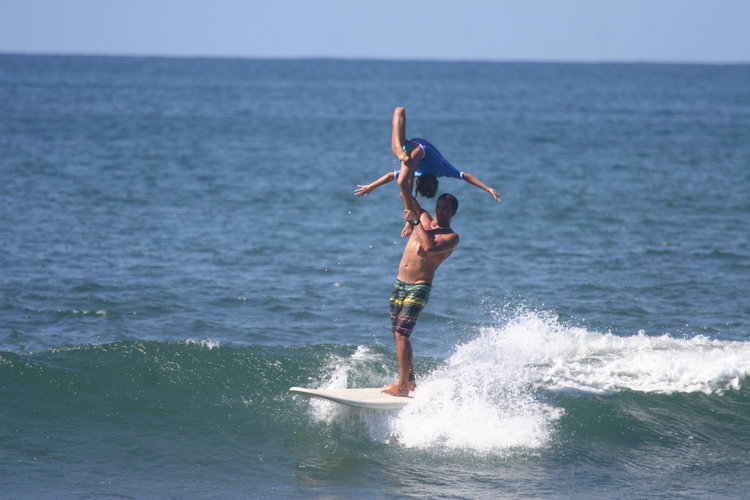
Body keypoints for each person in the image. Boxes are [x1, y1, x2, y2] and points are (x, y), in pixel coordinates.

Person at [355, 107, 501, 236]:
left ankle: (400, 139)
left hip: (415, 148)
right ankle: (399, 152)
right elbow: (391, 177)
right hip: (417, 151)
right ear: (420, 183)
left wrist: (488, 189)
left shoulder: (442, 170)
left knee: (399, 115)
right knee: (402, 182)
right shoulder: (429, 170)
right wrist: (371, 187)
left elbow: (466, 176)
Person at [382, 193, 460, 397]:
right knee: (396, 334)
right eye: (438, 207)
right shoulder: (425, 221)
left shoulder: (451, 237)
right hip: (400, 284)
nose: (440, 212)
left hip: (418, 287)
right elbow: (407, 196)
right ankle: (410, 380)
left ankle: (402, 387)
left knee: (402, 334)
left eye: (445, 209)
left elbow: (428, 246)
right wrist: (406, 174)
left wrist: (415, 221)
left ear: (453, 213)